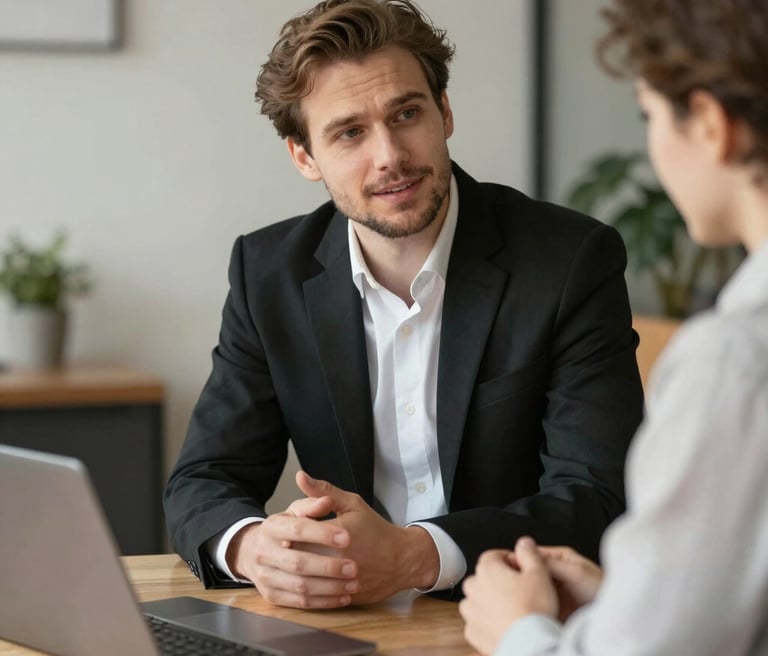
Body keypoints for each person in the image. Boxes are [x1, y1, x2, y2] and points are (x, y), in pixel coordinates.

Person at [163, 0, 643, 610]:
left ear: (444, 112)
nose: (389, 155)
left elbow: (597, 496)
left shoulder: (570, 261)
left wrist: (411, 555)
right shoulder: (268, 274)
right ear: (304, 156)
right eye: (349, 132)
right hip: (351, 620)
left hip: (524, 617)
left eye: (407, 113)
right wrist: (253, 547)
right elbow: (204, 478)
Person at [459, 0, 768, 653]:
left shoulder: (735, 360)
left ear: (711, 125)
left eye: (649, 115)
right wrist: (629, 602)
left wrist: (518, 629)